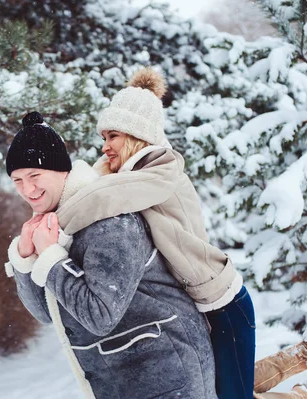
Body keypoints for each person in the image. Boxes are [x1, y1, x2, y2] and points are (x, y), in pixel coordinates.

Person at [54, 67, 256, 399]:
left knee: (235, 396)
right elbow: (101, 187)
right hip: (203, 306)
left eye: (112, 137)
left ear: (136, 135)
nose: (104, 147)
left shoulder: (161, 171)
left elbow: (101, 196)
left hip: (227, 308)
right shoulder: (138, 173)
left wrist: (55, 230)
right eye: (103, 138)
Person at [4, 111, 218, 399]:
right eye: (17, 180)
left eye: (34, 175)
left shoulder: (109, 220)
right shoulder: (60, 223)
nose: (27, 189)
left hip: (170, 376)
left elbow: (100, 315)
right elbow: (46, 312)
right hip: (123, 383)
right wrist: (26, 258)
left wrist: (52, 258)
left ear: (61, 171)